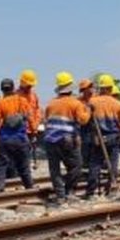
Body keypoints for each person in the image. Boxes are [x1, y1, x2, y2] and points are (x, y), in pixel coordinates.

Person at [43, 71, 91, 204]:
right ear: (70, 87)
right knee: (76, 166)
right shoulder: (75, 103)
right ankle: (68, 190)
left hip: (50, 140)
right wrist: (88, 110)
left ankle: (60, 195)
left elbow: (46, 120)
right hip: (67, 139)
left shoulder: (51, 103)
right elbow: (83, 121)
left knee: (54, 169)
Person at [0, 78, 37, 193]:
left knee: (2, 164)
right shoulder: (22, 100)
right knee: (24, 165)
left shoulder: (0, 102)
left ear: (2, 89)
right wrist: (34, 132)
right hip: (20, 138)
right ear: (13, 88)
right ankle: (30, 187)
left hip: (5, 139)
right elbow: (30, 118)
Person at [85, 74, 120, 198]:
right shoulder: (118, 104)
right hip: (113, 137)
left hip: (98, 137)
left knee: (95, 164)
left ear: (101, 88)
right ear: (110, 88)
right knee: (112, 164)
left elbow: (86, 120)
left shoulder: (92, 101)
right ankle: (111, 189)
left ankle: (90, 192)